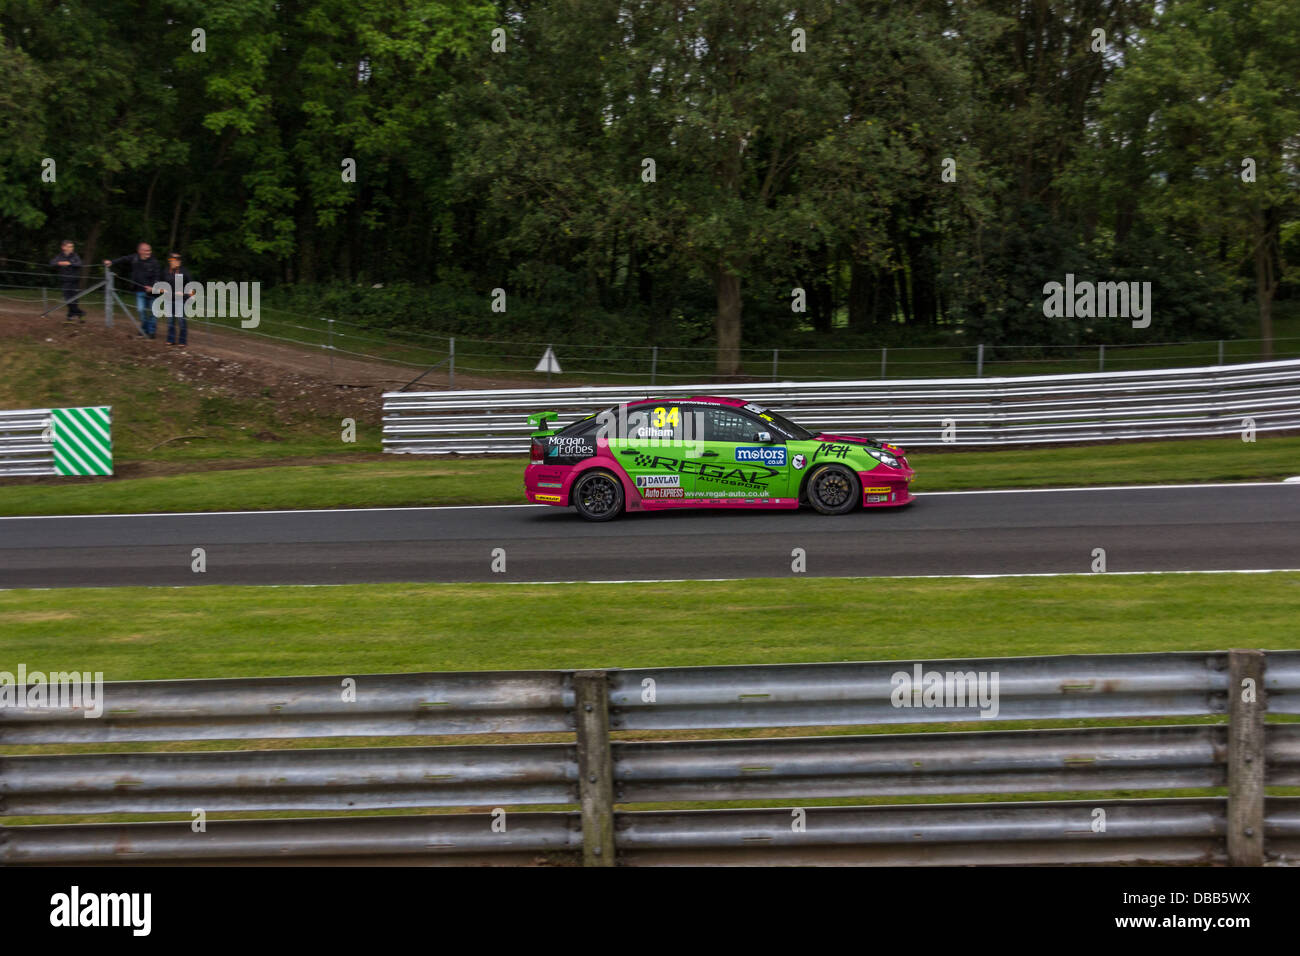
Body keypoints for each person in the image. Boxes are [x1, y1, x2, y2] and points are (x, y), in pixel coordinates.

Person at [103, 242, 163, 338]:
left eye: (150, 250)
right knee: (140, 310)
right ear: (140, 251)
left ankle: (151, 332)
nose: (149, 252)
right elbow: (123, 259)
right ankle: (144, 329)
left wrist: (152, 287)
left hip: (152, 292)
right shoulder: (134, 258)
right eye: (146, 250)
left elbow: (157, 276)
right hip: (139, 291)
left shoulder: (154, 262)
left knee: (153, 312)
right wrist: (112, 262)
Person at [161, 252, 196, 346]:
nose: (176, 261)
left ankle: (182, 341)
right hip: (169, 299)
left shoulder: (184, 272)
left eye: (178, 259)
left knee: (181, 320)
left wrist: (187, 293)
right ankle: (170, 339)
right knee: (170, 320)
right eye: (174, 259)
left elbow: (191, 286)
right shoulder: (165, 271)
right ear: (170, 261)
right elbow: (161, 284)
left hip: (181, 300)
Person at [49, 240, 86, 322]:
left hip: (74, 280)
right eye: (69, 246)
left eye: (72, 246)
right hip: (65, 281)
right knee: (67, 299)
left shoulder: (75, 256)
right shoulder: (60, 256)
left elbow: (80, 264)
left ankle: (70, 316)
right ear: (63, 247)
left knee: (74, 299)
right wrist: (59, 263)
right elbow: (51, 263)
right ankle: (80, 313)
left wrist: (70, 263)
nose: (71, 248)